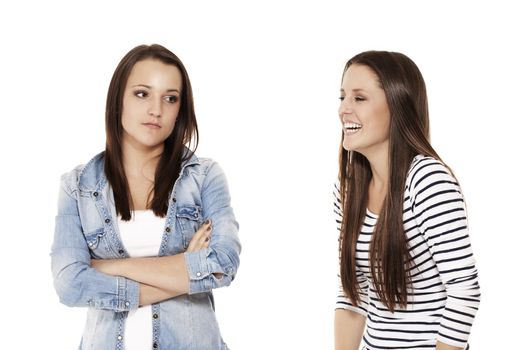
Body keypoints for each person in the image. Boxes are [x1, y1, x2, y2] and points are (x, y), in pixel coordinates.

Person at [51, 44, 241, 350]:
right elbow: (69, 285)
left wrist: (104, 267)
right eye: (142, 94)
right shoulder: (77, 186)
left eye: (170, 98)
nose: (157, 109)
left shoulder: (204, 176)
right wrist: (185, 269)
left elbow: (223, 263)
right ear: (118, 100)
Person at [334, 51, 480, 350]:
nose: (344, 110)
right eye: (342, 97)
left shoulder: (427, 180)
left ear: (398, 106)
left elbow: (464, 291)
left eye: (359, 98)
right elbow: (354, 293)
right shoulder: (348, 188)